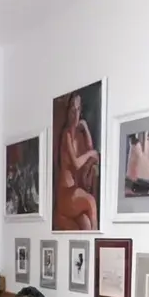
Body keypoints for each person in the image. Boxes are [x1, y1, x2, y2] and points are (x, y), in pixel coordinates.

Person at [55, 92, 100, 231]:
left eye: (78, 109)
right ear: (68, 111)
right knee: (91, 201)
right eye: (73, 110)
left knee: (86, 223)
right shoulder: (67, 134)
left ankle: (94, 242)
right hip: (66, 193)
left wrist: (85, 128)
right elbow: (76, 163)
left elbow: (90, 149)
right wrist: (91, 153)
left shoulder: (78, 136)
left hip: (74, 193)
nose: (76, 114)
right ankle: (99, 239)